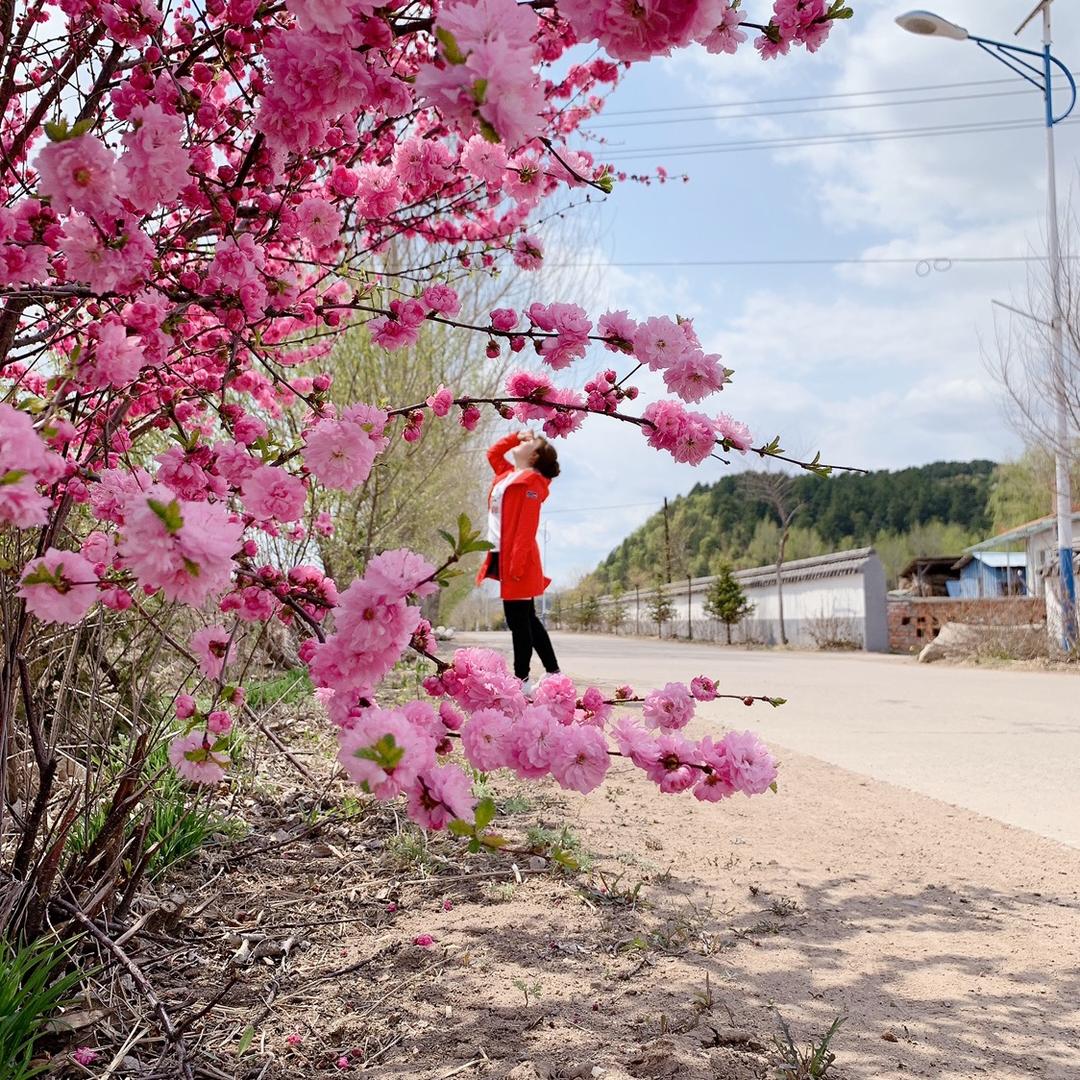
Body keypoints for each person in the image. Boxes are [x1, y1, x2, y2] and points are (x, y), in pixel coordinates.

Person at [476, 429, 560, 692]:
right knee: (527, 620)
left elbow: (526, 529)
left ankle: (521, 680)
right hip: (505, 556)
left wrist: (516, 565)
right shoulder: (507, 475)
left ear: (534, 456)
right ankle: (554, 673)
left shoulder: (531, 484)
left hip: (518, 560)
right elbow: (492, 453)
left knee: (518, 622)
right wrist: (516, 436)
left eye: (528, 443)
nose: (522, 443)